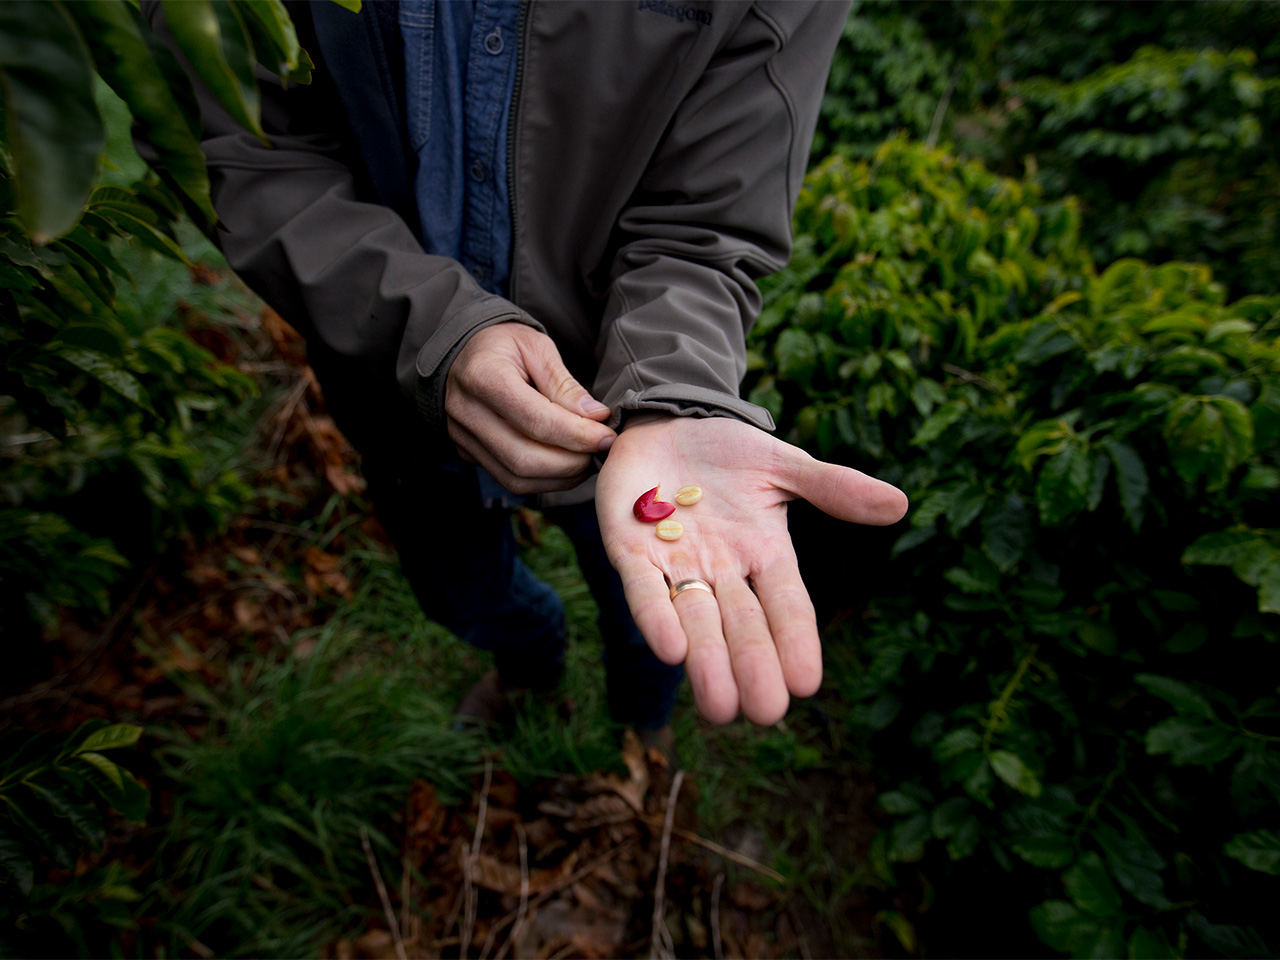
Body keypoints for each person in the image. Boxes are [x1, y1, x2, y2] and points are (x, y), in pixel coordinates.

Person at [146, 0, 908, 745]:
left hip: (611, 415)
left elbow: (704, 219)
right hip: (398, 396)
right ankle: (529, 657)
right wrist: (428, 333)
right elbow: (241, 141)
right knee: (458, 592)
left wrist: (669, 393)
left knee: (653, 606)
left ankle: (641, 723)